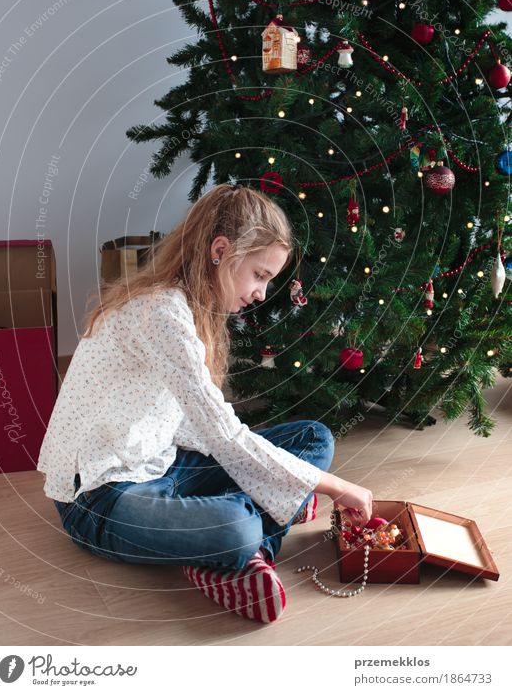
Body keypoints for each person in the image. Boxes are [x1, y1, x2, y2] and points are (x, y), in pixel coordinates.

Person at [37, 183, 373, 624]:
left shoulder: (194, 306)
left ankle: (232, 557)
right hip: (102, 494)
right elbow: (222, 435)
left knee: (313, 438)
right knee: (238, 526)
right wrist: (334, 487)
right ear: (221, 250)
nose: (261, 293)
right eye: (259, 275)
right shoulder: (160, 312)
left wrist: (290, 475)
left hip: (165, 460)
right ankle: (242, 541)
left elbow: (198, 428)